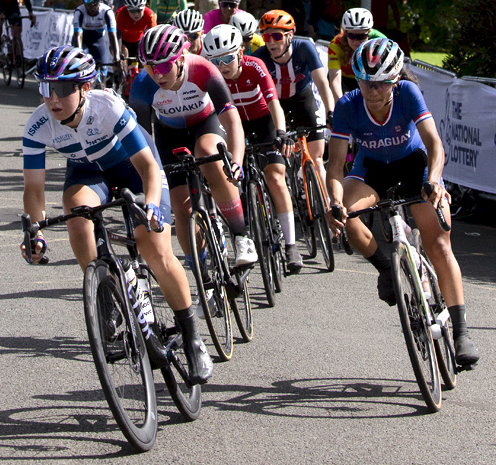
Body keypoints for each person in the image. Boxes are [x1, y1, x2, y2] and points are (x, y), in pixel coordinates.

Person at [21, 44, 212, 384]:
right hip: (88, 172)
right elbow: (34, 190)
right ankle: (105, 293)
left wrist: (151, 206)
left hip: (134, 169)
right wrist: (35, 232)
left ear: (85, 88)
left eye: (62, 89)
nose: (53, 99)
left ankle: (193, 338)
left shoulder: (107, 107)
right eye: (46, 88)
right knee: (76, 213)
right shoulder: (38, 125)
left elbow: (149, 167)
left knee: (154, 248)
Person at [326, 37, 479, 368]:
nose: (373, 89)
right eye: (366, 81)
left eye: (381, 83)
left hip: (413, 166)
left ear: (395, 80)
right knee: (350, 217)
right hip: (371, 170)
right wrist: (335, 202)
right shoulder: (347, 105)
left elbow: (434, 145)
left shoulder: (409, 93)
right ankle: (385, 268)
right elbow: (336, 166)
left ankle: (461, 331)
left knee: (438, 243)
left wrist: (434, 181)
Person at [129, 25, 258, 270]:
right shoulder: (143, 85)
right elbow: (143, 141)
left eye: (164, 66)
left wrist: (237, 162)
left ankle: (241, 236)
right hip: (169, 136)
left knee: (209, 154)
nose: (157, 74)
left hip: (205, 124)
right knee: (180, 206)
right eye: (149, 66)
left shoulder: (202, 69)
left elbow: (232, 122)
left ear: (181, 58)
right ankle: (201, 272)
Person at [202, 25, 303, 272]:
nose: (223, 66)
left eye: (227, 58)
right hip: (234, 127)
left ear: (241, 52)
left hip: (263, 122)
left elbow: (273, 103)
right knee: (231, 180)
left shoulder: (255, 65)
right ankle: (244, 233)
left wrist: (281, 132)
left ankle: (291, 245)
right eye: (216, 61)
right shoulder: (212, 78)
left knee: (275, 177)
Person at [254, 10, 334, 189]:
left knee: (317, 158)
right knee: (273, 162)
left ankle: (329, 206)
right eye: (267, 38)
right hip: (273, 105)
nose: (272, 42)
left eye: (276, 36)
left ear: (290, 35)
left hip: (301, 100)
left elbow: (322, 83)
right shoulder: (260, 57)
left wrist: (330, 112)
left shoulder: (304, 48)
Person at [327, 7, 386, 101]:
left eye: (361, 36)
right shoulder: (336, 44)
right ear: (345, 33)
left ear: (369, 32)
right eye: (351, 36)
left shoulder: (381, 41)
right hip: (344, 80)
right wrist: (341, 105)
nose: (356, 41)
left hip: (369, 79)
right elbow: (335, 81)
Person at [72, 0, 120, 87]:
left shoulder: (107, 12)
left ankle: (101, 88)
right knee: (80, 65)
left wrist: (116, 56)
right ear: (83, 0)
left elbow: (113, 36)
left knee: (103, 69)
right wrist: (78, 55)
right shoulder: (79, 12)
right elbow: (78, 36)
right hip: (83, 40)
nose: (92, 3)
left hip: (98, 40)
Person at [115, 0, 157, 67]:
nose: (136, 14)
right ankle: (118, 77)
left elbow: (153, 35)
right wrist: (119, 53)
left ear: (144, 7)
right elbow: (118, 34)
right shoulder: (120, 13)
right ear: (127, 9)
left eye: (139, 10)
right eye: (132, 11)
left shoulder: (149, 14)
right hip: (123, 42)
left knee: (142, 69)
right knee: (122, 57)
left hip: (139, 42)